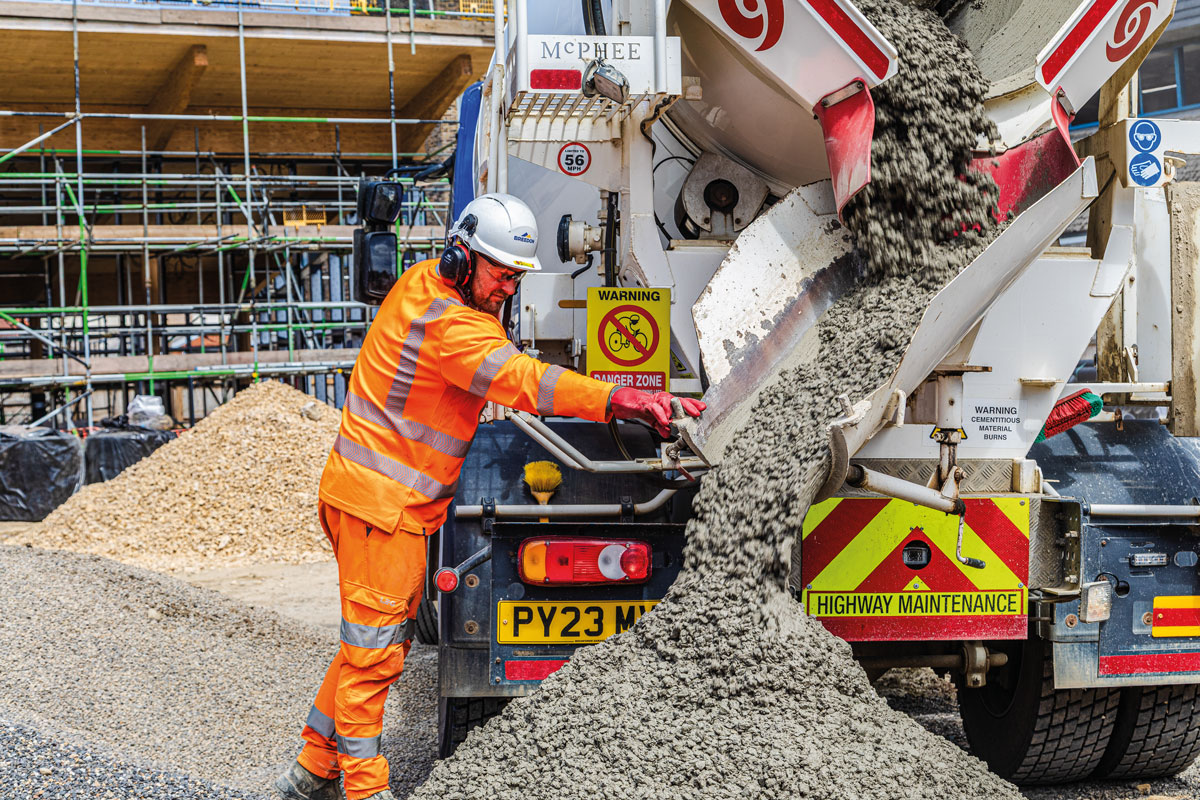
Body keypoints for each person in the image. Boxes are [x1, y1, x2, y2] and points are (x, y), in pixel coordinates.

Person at [274, 193, 705, 800]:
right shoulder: (451, 325)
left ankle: (313, 768)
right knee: (374, 658)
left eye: (516, 278)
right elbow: (525, 380)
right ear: (460, 257)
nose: (508, 289)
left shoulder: (427, 287)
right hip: (383, 507)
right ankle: (365, 789)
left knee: (371, 643)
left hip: (377, 501)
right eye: (501, 274)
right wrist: (619, 399)